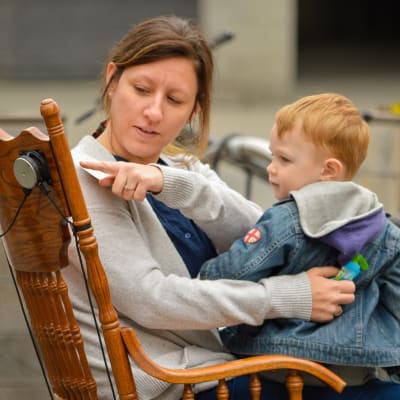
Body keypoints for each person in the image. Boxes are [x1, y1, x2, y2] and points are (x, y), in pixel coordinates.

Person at [65, 15, 371, 400]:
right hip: (172, 382)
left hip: (222, 364)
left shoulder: (178, 166)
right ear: (112, 81)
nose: (154, 112)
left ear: (194, 109)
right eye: (141, 89)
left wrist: (175, 186)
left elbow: (259, 233)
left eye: (174, 100)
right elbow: (153, 300)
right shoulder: (85, 175)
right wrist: (287, 297)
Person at [199, 93, 400, 395]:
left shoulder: (286, 221)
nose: (272, 168)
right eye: (272, 156)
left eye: (284, 159)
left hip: (281, 364)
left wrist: (203, 274)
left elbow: (233, 274)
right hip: (355, 370)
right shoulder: (384, 228)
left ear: (328, 171)